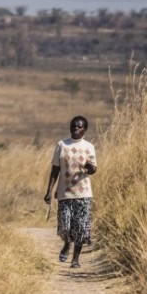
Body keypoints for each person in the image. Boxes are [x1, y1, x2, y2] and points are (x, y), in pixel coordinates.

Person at [43, 115, 97, 269]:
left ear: (85, 130)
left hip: (83, 193)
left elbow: (94, 169)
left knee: (80, 227)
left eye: (79, 127)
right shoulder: (62, 145)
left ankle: (75, 259)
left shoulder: (89, 147)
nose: (75, 129)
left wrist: (90, 168)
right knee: (65, 226)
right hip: (64, 193)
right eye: (73, 126)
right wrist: (49, 191)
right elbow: (55, 169)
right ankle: (67, 244)